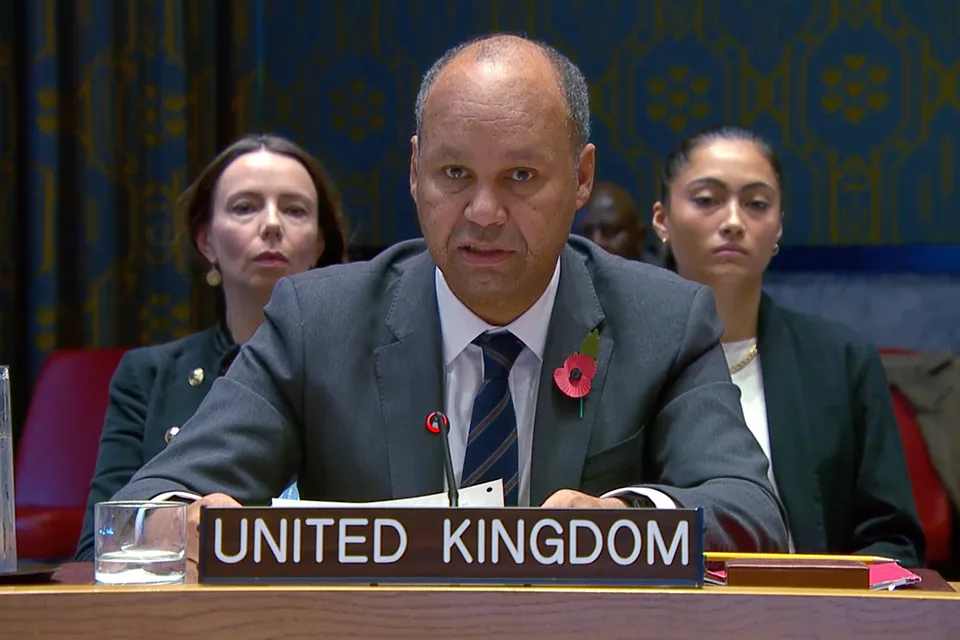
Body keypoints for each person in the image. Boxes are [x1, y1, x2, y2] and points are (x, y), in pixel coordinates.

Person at [112, 35, 789, 570]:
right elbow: (140, 508)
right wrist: (184, 520)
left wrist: (625, 520)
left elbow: (751, 512)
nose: (484, 213)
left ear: (581, 177)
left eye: (521, 176)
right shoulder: (317, 322)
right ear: (415, 171)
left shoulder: (663, 322)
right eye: (454, 174)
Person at [651, 125, 925, 566]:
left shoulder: (840, 360)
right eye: (707, 200)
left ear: (778, 227)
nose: (734, 221)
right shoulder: (616, 354)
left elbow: (892, 538)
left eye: (757, 204)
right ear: (662, 219)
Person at [75, 134, 348, 561]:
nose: (272, 224)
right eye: (245, 207)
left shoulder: (366, 368)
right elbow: (98, 546)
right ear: (206, 240)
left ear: (318, 244)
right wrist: (176, 527)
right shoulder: (148, 374)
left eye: (295, 210)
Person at [572, 181, 655, 262]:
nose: (596, 241)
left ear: (639, 237)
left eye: (608, 231)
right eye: (588, 233)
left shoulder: (661, 275)